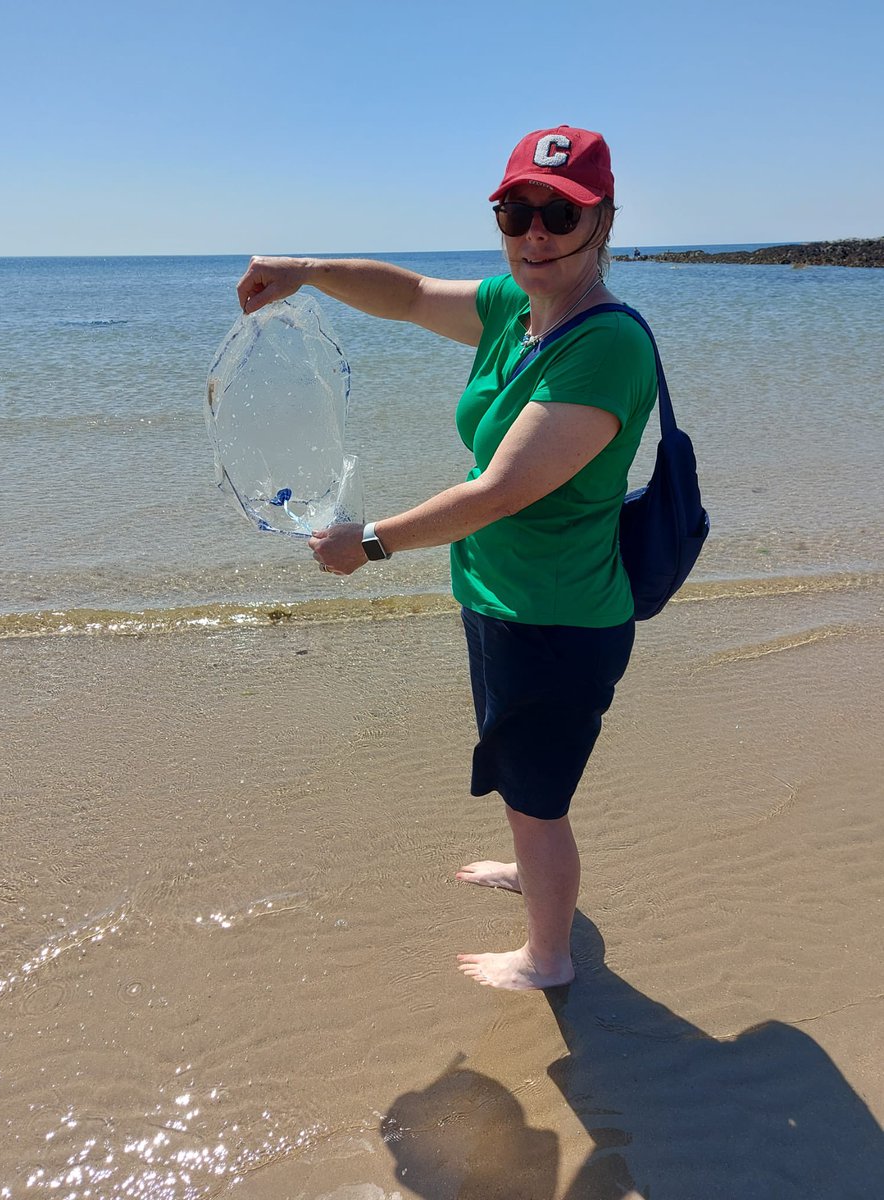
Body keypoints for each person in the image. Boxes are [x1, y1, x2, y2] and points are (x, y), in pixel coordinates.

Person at [236, 126, 657, 991]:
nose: (535, 232)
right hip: (501, 599)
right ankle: (532, 867)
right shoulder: (515, 310)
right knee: (522, 774)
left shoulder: (607, 345)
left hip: (559, 617)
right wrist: (307, 270)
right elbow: (412, 293)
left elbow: (501, 490)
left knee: (538, 796)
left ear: (604, 221)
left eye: (560, 214)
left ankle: (548, 958)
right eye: (517, 210)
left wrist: (374, 544)